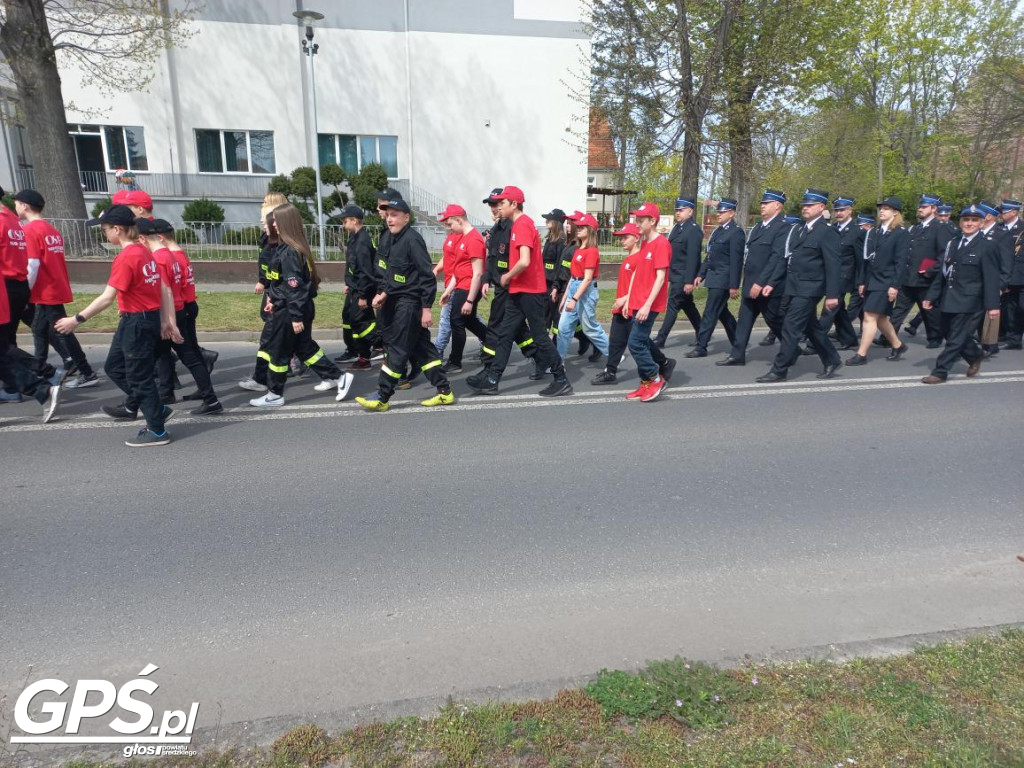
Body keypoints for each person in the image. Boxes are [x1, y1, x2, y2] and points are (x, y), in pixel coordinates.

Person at [55, 205, 178, 445]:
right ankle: (155, 408)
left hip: (138, 322)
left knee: (139, 377)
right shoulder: (143, 252)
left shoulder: (128, 256)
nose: (104, 234)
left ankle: (158, 430)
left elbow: (106, 298)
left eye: (105, 230)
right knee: (114, 367)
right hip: (136, 319)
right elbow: (158, 287)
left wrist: (75, 320)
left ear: (118, 230)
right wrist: (164, 319)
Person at [466, 186, 570, 397]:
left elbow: (524, 261)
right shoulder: (515, 225)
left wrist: (506, 276)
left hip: (530, 291)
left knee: (540, 336)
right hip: (518, 290)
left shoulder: (522, 225)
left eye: (502, 203)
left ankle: (561, 379)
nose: (499, 207)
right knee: (505, 334)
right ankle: (492, 378)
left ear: (514, 204)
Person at [248, 204, 353, 407]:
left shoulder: (289, 251)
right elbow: (282, 282)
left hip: (290, 311)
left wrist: (295, 316)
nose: (273, 224)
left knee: (279, 351)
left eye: (277, 220)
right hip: (289, 307)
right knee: (304, 348)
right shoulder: (288, 247)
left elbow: (294, 287)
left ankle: (275, 394)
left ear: (286, 223)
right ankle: (337, 377)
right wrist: (273, 300)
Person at [355, 198, 454, 411]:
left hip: (409, 304)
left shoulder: (412, 240)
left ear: (406, 217)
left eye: (395, 215)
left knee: (397, 350)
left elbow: (427, 277)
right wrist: (382, 293)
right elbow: (387, 273)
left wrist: (426, 308)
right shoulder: (388, 239)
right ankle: (445, 392)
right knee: (424, 350)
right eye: (388, 215)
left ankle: (382, 396)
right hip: (393, 301)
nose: (390, 219)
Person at [137, 218, 224, 415]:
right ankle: (163, 393)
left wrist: (167, 321)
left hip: (171, 313)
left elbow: (163, 290)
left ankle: (209, 399)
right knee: (163, 355)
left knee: (181, 357)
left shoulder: (159, 259)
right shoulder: (171, 255)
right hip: (177, 309)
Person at [13, 188, 97, 389]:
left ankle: (87, 372)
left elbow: (32, 264)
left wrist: (25, 291)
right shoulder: (51, 230)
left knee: (63, 331)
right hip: (54, 286)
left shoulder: (30, 230)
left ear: (25, 206)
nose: (14, 207)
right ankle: (39, 370)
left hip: (45, 289)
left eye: (16, 203)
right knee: (39, 329)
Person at [756, 188, 843, 382]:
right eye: (804, 205)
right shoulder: (800, 229)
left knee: (791, 326)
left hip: (810, 288)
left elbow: (833, 265)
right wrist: (773, 282)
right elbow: (787, 258)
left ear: (821, 207)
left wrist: (832, 295)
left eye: (810, 205)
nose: (805, 208)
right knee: (811, 327)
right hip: (793, 285)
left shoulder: (827, 231)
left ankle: (780, 369)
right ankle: (832, 358)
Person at [921, 204, 1001, 383]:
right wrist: (931, 296)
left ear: (981, 223)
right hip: (949, 296)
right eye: (966, 220)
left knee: (956, 337)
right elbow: (943, 273)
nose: (969, 223)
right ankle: (975, 355)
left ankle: (940, 371)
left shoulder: (987, 245)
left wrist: (993, 305)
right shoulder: (953, 243)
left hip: (972, 299)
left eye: (974, 220)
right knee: (947, 332)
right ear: (960, 222)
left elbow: (991, 277)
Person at [592, 222, 672, 385]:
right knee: (619, 339)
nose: (622, 241)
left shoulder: (641, 256)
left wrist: (626, 299)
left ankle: (657, 371)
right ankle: (612, 370)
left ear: (636, 238)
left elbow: (646, 283)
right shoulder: (631, 257)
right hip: (625, 306)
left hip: (633, 305)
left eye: (625, 237)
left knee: (637, 341)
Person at [717, 189, 789, 366]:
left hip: (766, 287)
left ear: (778, 206)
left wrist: (760, 282)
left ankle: (790, 348)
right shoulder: (758, 227)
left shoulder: (783, 227)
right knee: (744, 320)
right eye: (762, 203)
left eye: (767, 203)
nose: (762, 206)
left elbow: (776, 258)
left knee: (775, 320)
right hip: (750, 283)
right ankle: (737, 355)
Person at [478, 186, 538, 372]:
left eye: (497, 204)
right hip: (500, 284)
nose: (494, 208)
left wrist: (507, 277)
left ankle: (488, 364)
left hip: (511, 285)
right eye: (491, 205)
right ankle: (537, 354)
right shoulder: (497, 228)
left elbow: (519, 260)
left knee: (496, 325)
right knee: (517, 327)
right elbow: (492, 257)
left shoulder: (514, 226)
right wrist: (486, 279)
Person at [846, 198, 910, 366]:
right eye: (881, 208)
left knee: (869, 316)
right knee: (881, 318)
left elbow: (901, 262)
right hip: (872, 280)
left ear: (895, 212)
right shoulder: (873, 232)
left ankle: (861, 354)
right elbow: (866, 261)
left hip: (887, 281)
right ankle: (898, 345)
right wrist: (861, 282)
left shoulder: (901, 233)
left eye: (887, 209)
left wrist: (895, 285)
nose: (882, 211)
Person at [889, 193, 952, 349]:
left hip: (926, 278)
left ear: (934, 208)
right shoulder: (915, 228)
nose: (920, 209)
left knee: (929, 311)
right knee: (899, 309)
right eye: (920, 206)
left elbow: (944, 254)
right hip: (908, 276)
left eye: (924, 207)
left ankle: (935, 337)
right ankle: (888, 336)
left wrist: (931, 270)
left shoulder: (940, 228)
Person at [623, 202, 672, 402]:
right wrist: (629, 299)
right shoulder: (644, 244)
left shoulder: (661, 244)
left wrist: (646, 305)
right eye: (637, 220)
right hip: (637, 301)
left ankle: (655, 376)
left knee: (635, 343)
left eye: (641, 220)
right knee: (640, 341)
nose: (638, 224)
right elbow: (637, 273)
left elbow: (661, 279)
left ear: (652, 221)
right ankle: (646, 383)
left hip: (648, 304)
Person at [239, 194, 287, 391]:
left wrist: (271, 292)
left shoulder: (285, 245)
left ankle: (262, 380)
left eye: (266, 218)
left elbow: (284, 274)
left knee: (270, 337)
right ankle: (334, 375)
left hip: (279, 296)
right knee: (300, 343)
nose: (262, 222)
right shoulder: (271, 240)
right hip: (275, 293)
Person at [437, 205, 488, 373]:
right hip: (460, 286)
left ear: (459, 220)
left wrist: (469, 300)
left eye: (450, 223)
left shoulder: (473, 239)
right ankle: (493, 343)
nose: (449, 227)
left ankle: (455, 362)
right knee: (469, 321)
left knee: (456, 321)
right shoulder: (464, 237)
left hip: (467, 288)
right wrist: (448, 291)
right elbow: (458, 270)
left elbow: (478, 273)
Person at [688, 198, 742, 358]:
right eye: (718, 211)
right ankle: (739, 341)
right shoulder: (718, 231)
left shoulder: (736, 232)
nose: (719, 214)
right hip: (713, 277)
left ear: (731, 213)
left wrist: (734, 285)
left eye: (723, 212)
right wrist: (701, 274)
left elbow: (736, 262)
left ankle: (701, 346)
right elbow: (709, 256)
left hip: (723, 280)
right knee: (722, 313)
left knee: (710, 312)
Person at [556, 213, 609, 362]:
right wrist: (565, 299)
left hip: (585, 292)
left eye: (581, 227)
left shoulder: (592, 251)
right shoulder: (578, 250)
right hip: (574, 288)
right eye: (577, 226)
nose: (577, 228)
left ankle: (614, 356)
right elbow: (573, 277)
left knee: (590, 328)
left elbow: (586, 279)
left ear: (590, 230)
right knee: (563, 328)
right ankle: (559, 363)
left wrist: (573, 299)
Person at [654, 198, 703, 348]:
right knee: (688, 305)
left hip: (683, 276)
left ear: (690, 211)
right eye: (677, 210)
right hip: (675, 274)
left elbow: (693, 258)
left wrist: (689, 281)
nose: (678, 213)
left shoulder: (693, 229)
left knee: (673, 305)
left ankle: (660, 339)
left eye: (681, 210)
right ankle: (703, 333)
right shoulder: (677, 227)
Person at [335, 203, 378, 370]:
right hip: (355, 288)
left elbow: (366, 271)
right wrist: (349, 284)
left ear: (354, 220)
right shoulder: (354, 238)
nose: (343, 225)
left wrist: (362, 295)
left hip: (362, 290)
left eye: (345, 221)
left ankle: (381, 345)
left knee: (360, 322)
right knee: (353, 319)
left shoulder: (362, 242)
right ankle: (363, 356)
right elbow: (354, 266)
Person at [820, 196, 861, 350]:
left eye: (842, 210)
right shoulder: (831, 229)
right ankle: (850, 339)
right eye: (836, 210)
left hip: (845, 276)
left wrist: (861, 281)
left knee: (829, 309)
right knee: (839, 310)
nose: (839, 213)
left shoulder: (857, 231)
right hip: (831, 275)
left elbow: (860, 260)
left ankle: (815, 342)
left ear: (850, 211)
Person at [978, 200, 1013, 357]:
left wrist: (1001, 284)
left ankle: (989, 345)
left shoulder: (1002, 235)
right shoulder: (976, 233)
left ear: (989, 216)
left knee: (989, 315)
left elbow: (1006, 263)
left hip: (993, 281)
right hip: (975, 281)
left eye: (979, 214)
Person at [433, 210, 462, 359]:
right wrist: (436, 270)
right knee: (472, 319)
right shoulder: (451, 236)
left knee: (445, 320)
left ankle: (437, 350)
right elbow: (447, 256)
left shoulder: (462, 237)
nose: (446, 224)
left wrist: (449, 289)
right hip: (450, 283)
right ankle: (488, 342)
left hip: (456, 285)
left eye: (448, 221)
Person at [541, 208, 568, 339]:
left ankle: (557, 344)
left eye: (549, 219)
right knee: (545, 315)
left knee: (556, 317)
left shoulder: (561, 241)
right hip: (545, 283)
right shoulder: (549, 238)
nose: (546, 221)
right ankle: (545, 345)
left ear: (557, 222)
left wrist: (555, 287)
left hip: (554, 285)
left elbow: (559, 266)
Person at [1001, 200, 1024, 350]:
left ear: (1014, 212)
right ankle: (1012, 338)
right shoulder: (999, 228)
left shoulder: (1022, 228)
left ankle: (1015, 336)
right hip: (1006, 275)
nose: (1002, 214)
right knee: (1009, 308)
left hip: (1021, 276)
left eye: (1005, 211)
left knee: (1021, 308)